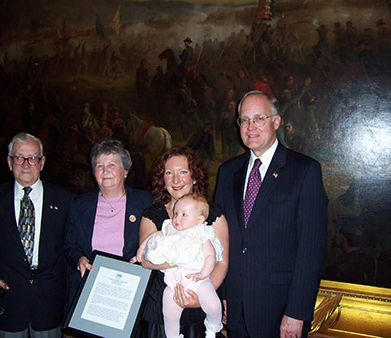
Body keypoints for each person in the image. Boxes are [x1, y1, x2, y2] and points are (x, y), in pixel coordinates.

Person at [214, 91, 327, 338]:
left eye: (259, 119)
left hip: (280, 312)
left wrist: (297, 312)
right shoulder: (227, 172)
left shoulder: (304, 171)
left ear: (276, 122)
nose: (250, 127)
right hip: (234, 308)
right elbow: (216, 241)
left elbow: (311, 248)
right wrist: (220, 294)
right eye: (244, 120)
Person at [0, 132, 74, 338]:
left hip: (50, 305)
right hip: (8, 303)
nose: (26, 164)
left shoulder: (66, 200)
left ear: (42, 162)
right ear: (10, 162)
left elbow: (72, 250)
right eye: (19, 157)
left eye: (32, 157)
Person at [138, 146, 229, 338]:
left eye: (183, 172)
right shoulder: (153, 216)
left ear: (194, 177)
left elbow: (222, 261)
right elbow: (146, 261)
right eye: (169, 173)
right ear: (163, 180)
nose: (176, 180)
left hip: (200, 306)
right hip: (159, 312)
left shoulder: (212, 215)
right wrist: (182, 259)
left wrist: (198, 298)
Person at [64, 139, 152, 305]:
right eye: (99, 166)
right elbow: (69, 245)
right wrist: (80, 259)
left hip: (130, 293)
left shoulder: (146, 202)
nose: (105, 171)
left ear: (125, 170)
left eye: (112, 164)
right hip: (89, 291)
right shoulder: (79, 204)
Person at [137, 193, 223, 338]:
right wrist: (141, 249)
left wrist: (203, 274)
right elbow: (154, 236)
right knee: (169, 314)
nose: (177, 218)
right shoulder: (169, 228)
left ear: (199, 220)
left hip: (197, 279)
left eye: (184, 215)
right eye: (176, 213)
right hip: (173, 282)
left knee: (214, 305)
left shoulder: (201, 233)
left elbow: (210, 255)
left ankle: (212, 328)